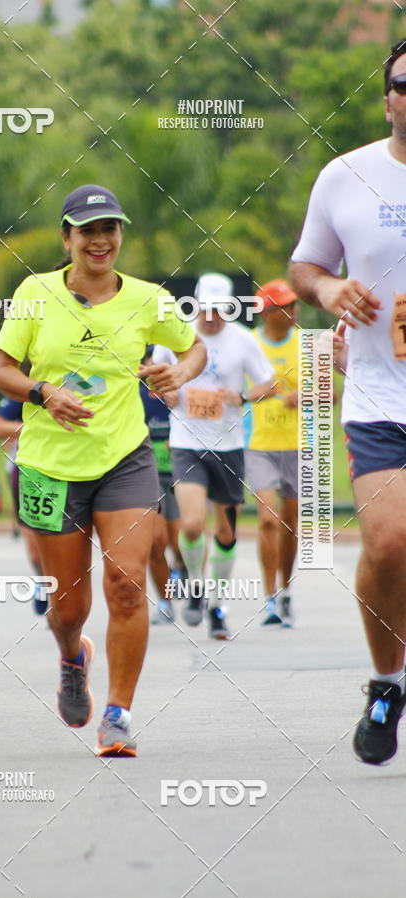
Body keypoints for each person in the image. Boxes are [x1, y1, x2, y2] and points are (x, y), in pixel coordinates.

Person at [0, 184, 205, 756]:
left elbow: (194, 349)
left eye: (109, 229)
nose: (100, 240)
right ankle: (72, 656)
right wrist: (43, 392)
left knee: (128, 586)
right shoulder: (34, 294)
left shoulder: (149, 299)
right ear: (67, 239)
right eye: (87, 231)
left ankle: (118, 715)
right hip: (49, 465)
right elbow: (1, 371)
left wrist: (180, 374)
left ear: (120, 235)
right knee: (67, 609)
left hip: (124, 459)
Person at [289, 38, 406, 765]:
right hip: (378, 395)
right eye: (404, 83)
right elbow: (305, 267)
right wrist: (329, 288)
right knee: (388, 544)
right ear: (387, 98)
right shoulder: (346, 176)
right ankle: (388, 682)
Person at [154, 273, 275, 638]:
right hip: (186, 442)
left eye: (219, 310)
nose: (211, 317)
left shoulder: (242, 339)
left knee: (226, 532)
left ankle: (218, 606)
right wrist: (164, 391)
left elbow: (270, 382)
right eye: (205, 309)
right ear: (196, 304)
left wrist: (244, 396)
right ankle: (195, 584)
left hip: (229, 446)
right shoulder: (177, 334)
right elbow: (155, 375)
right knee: (192, 524)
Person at [245, 280, 300, 627]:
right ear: (266, 312)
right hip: (258, 444)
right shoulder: (248, 343)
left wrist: (306, 397)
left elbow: (333, 395)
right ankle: (270, 599)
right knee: (268, 519)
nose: (294, 310)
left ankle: (286, 589)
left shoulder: (307, 344)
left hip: (297, 444)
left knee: (289, 524)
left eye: (294, 304)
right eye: (285, 305)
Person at [139, 346, 186, 624]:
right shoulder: (132, 392)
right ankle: (165, 601)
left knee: (182, 539)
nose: (152, 366)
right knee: (156, 542)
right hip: (148, 471)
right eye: (148, 362)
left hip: (181, 468)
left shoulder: (181, 385)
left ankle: (188, 575)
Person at [0, 396, 49, 615]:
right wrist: (35, 429)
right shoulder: (28, 388)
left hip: (72, 471)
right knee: (36, 553)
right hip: (28, 473)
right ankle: (43, 582)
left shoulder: (79, 385)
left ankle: (65, 599)